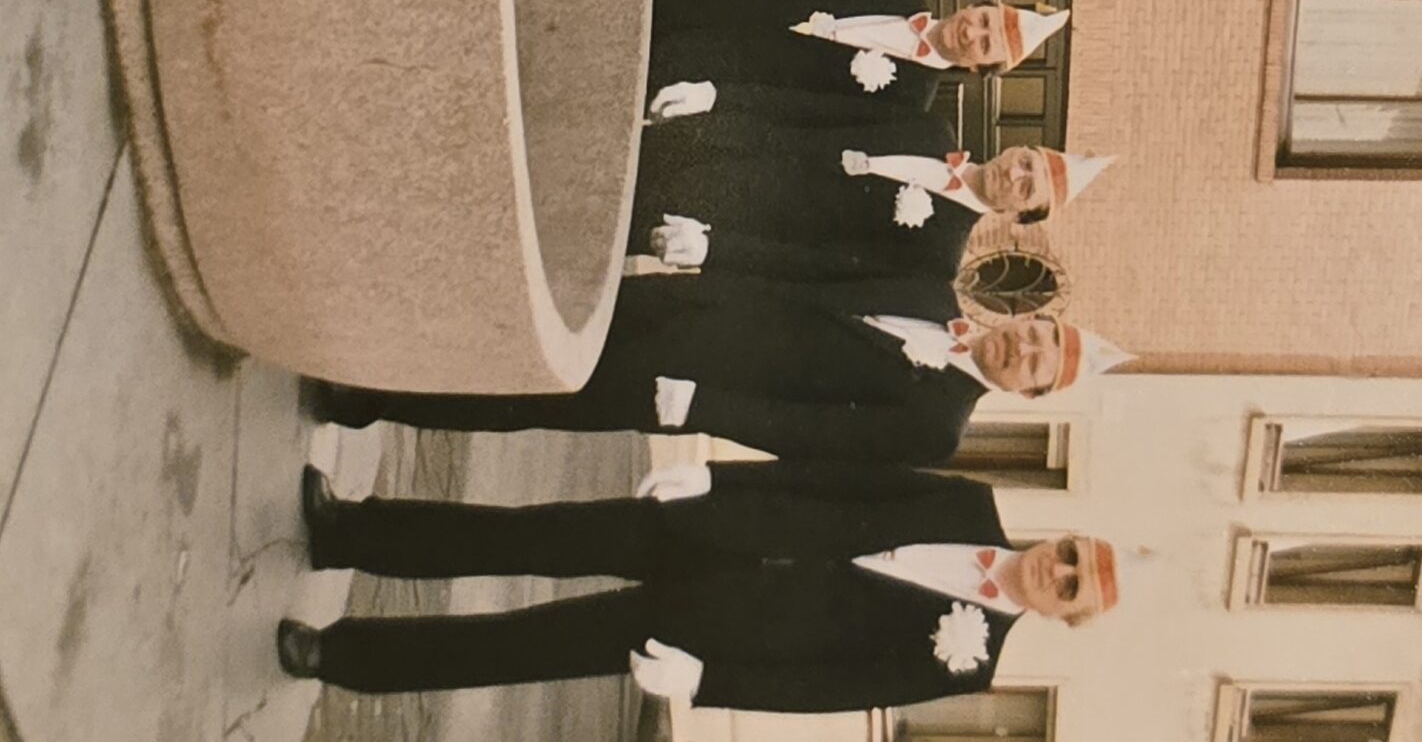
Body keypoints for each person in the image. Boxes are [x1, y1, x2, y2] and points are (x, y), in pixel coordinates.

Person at [277, 456, 1118, 703]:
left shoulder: (970, 666)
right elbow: (831, 479)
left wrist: (708, 682)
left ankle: (340, 656)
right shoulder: (969, 504)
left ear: (1063, 616)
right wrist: (715, 478)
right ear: (1064, 534)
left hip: (723, 629)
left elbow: (831, 690)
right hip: (716, 527)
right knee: (529, 533)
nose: (1060, 569)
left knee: (529, 644)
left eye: (1071, 587)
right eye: (1072, 553)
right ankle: (348, 531)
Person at [300, 276, 1128, 462]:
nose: (1023, 349)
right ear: (1026, 316)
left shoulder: (935, 426)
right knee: (536, 317)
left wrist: (701, 409)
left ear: (1029, 394)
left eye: (1036, 367)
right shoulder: (929, 287)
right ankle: (391, 337)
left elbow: (807, 435)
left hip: (695, 385)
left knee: (535, 393)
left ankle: (374, 396)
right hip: (707, 302)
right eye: (1037, 334)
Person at [632, 95, 1112, 284]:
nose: (1014, 175)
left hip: (724, 219)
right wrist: (717, 106)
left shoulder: (938, 255)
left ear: (1017, 216)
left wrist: (715, 249)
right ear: (1017, 148)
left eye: (1027, 189)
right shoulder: (932, 129)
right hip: (719, 148)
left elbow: (818, 265)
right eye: (1026, 163)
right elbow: (817, 112)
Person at [647, 0, 1071, 108]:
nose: (972, 31)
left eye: (985, 44)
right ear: (974, 6)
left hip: (723, 74)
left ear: (978, 69)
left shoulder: (910, 100)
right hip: (718, 2)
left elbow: (805, 110)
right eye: (984, 19)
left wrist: (715, 99)